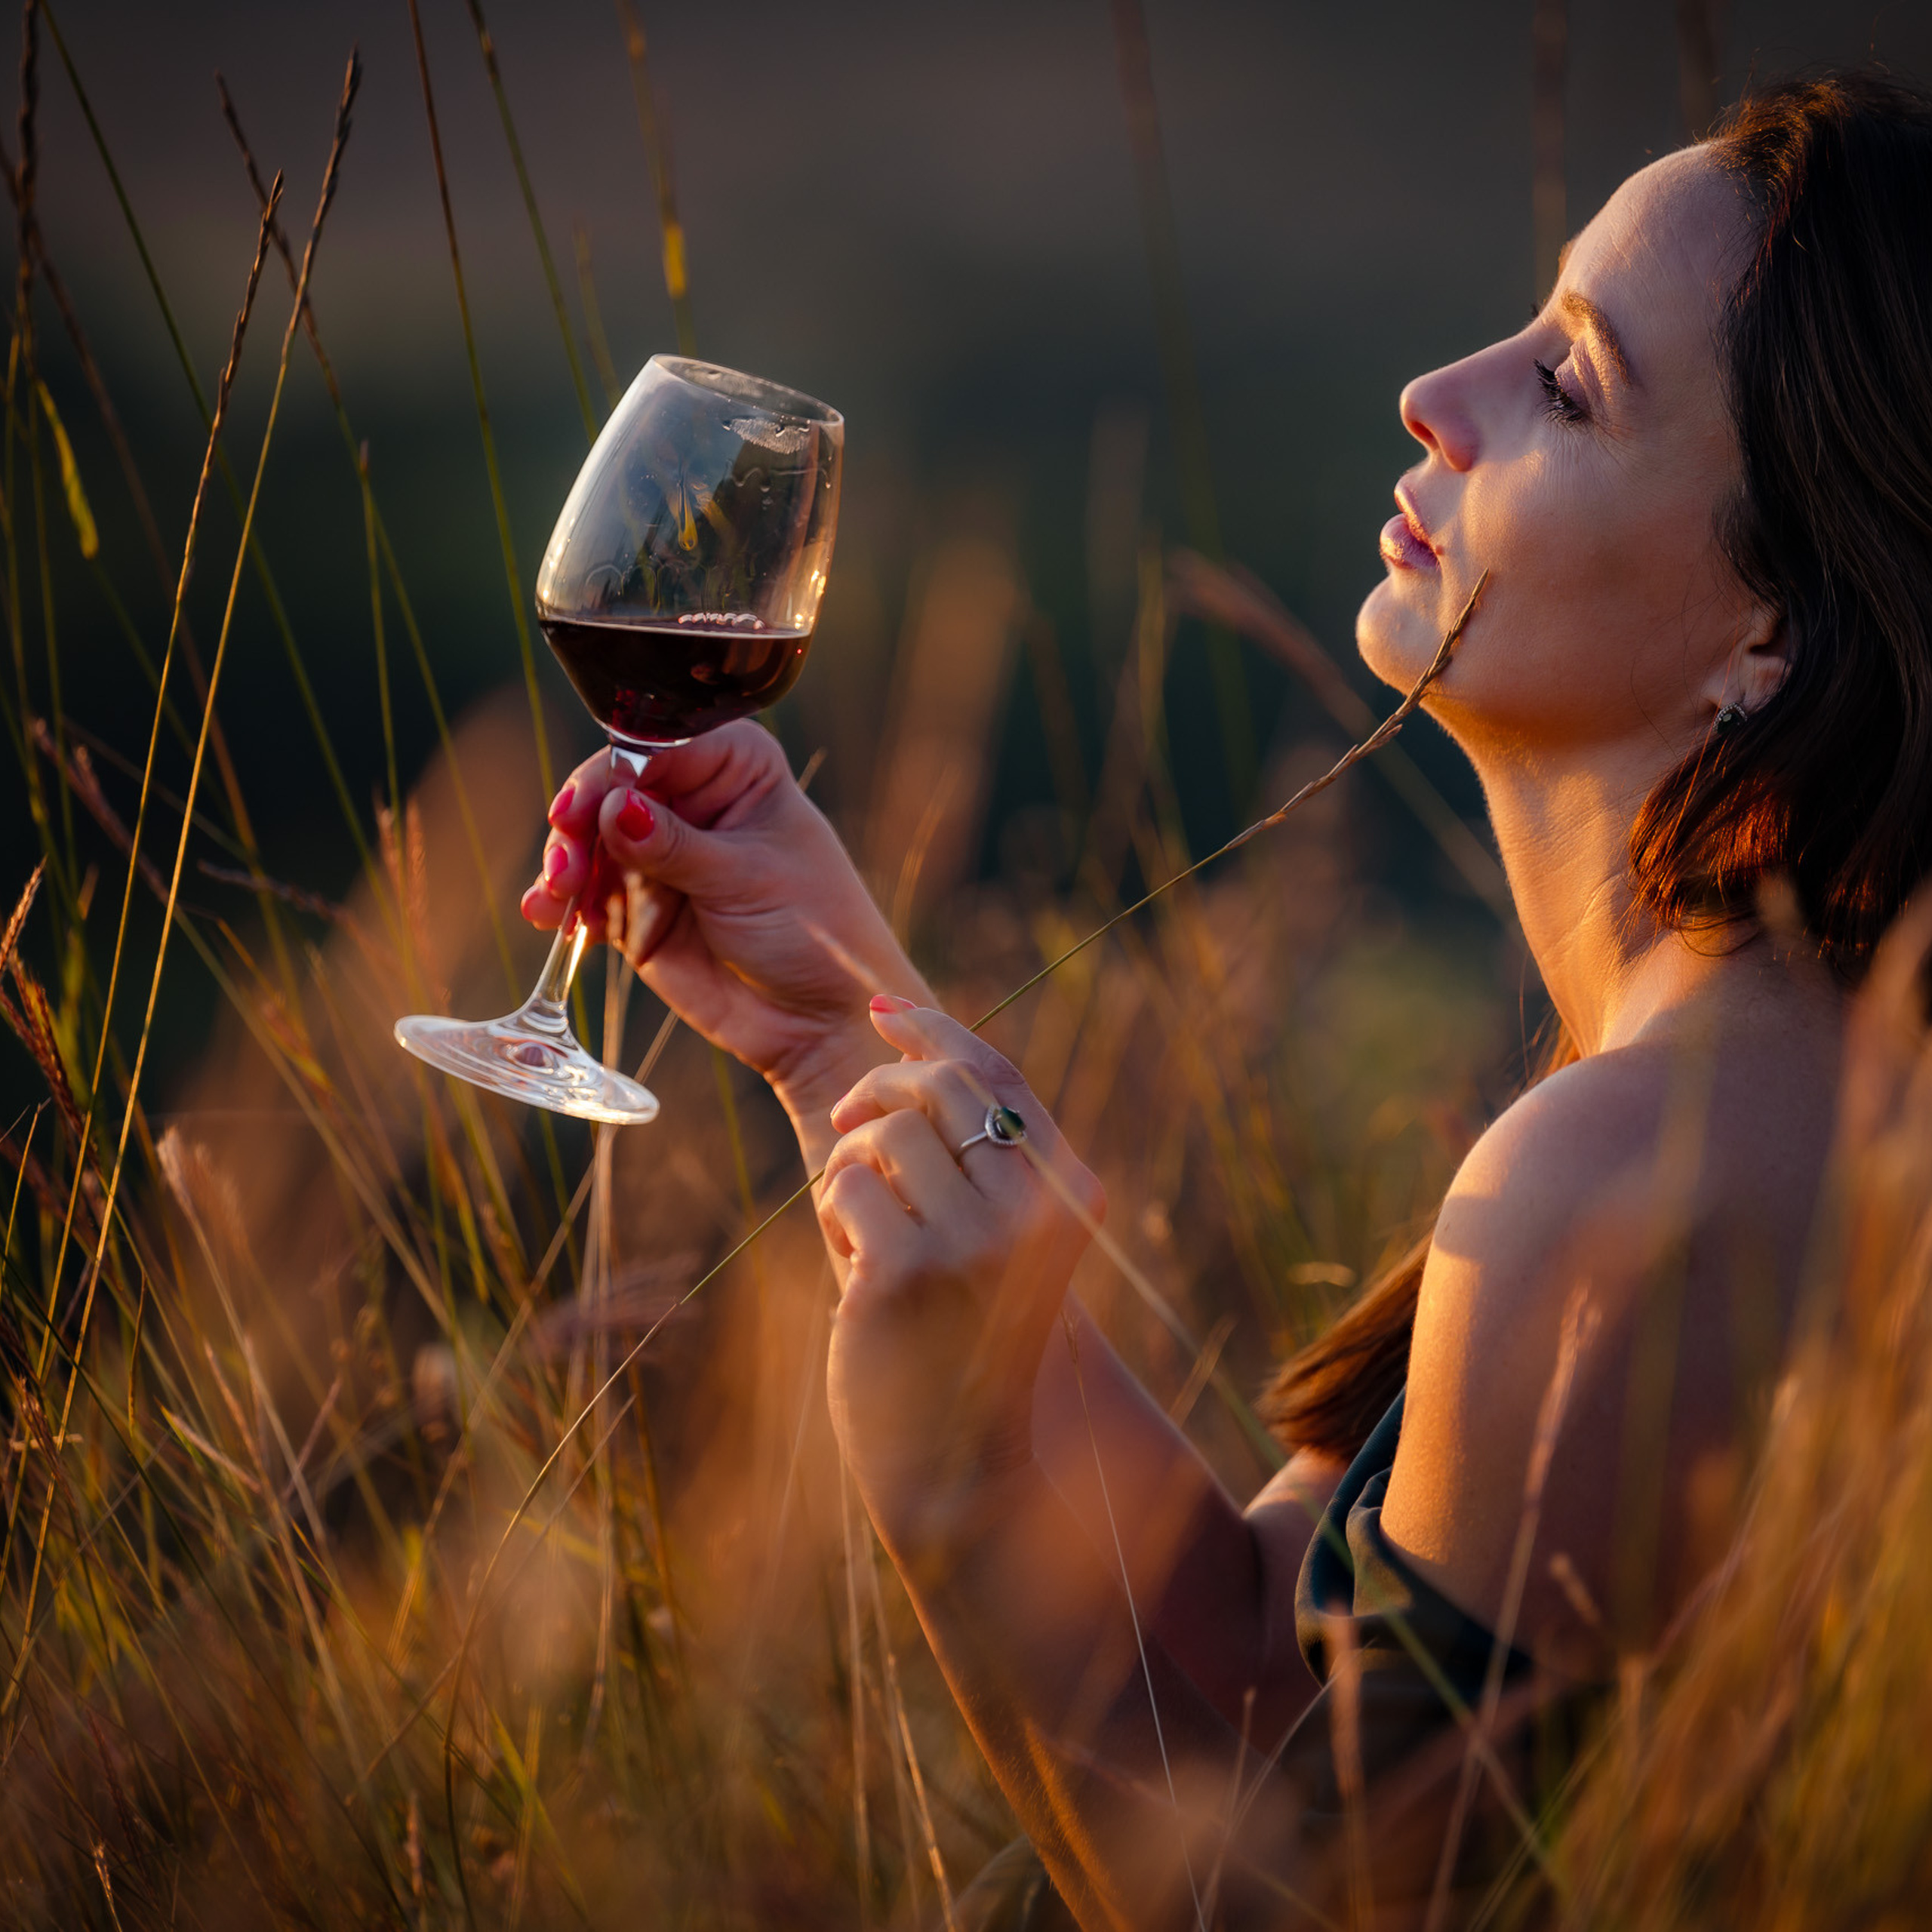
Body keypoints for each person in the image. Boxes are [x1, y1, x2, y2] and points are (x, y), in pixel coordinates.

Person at [521, 75, 1932, 1929]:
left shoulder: (1626, 1176)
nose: (1441, 389)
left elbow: (1315, 1898)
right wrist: (835, 1028)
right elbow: (1267, 1638)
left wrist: (948, 1486)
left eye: (1570, 384)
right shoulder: (1740, 1084)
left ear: (1772, 627)